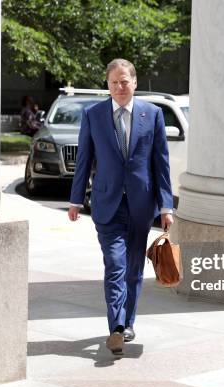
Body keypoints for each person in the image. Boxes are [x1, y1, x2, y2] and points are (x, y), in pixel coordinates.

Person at [68, 59, 174, 355]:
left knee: (134, 268)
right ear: (108, 84)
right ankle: (115, 326)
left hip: (141, 203)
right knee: (115, 264)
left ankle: (128, 323)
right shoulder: (93, 115)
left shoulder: (152, 114)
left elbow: (160, 164)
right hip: (107, 203)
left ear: (135, 82)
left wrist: (166, 206)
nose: (119, 87)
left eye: (124, 81)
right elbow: (84, 160)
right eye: (114, 82)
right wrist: (76, 199)